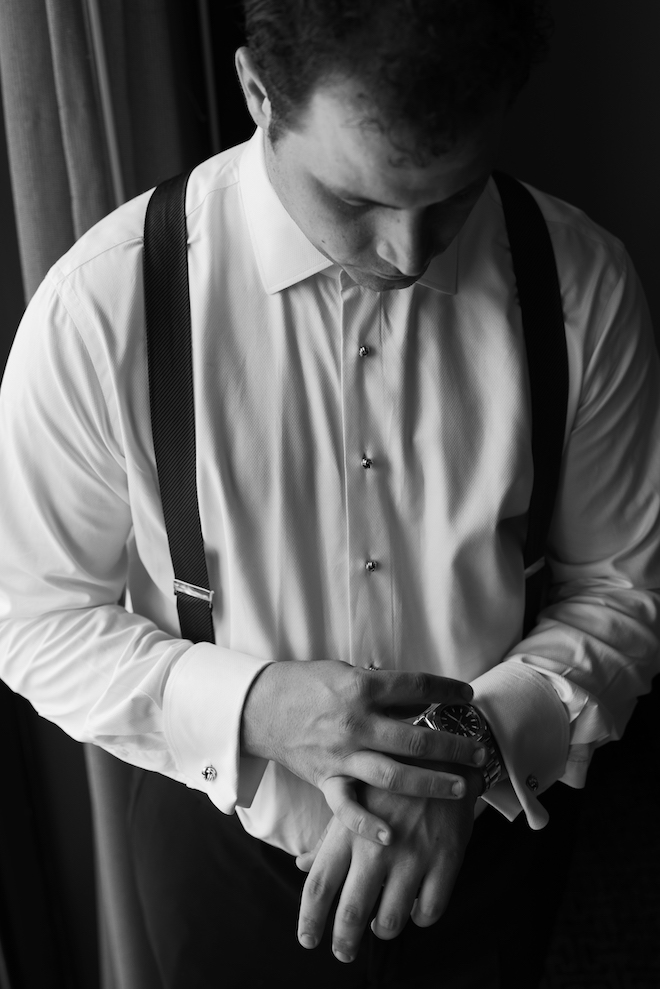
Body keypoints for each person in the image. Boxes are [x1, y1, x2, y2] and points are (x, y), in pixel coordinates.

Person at [1, 1, 659, 986]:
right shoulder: (103, 304)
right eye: (357, 200)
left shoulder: (580, 283)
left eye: (451, 199)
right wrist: (261, 707)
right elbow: (31, 616)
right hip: (222, 849)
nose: (406, 253)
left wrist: (473, 753)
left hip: (491, 838)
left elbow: (623, 585)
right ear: (258, 95)